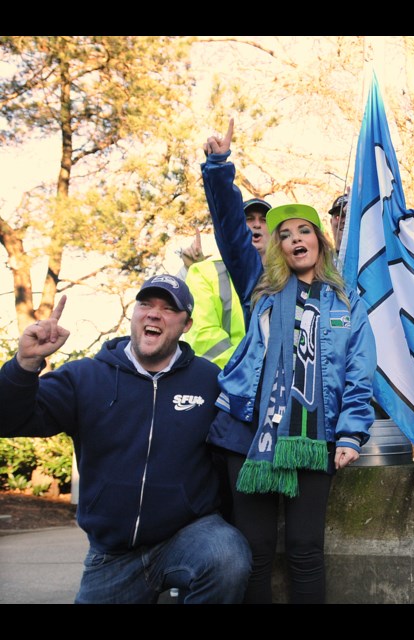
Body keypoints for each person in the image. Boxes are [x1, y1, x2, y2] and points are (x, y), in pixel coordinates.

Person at [201, 118, 377, 604]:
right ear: (276, 246)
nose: (295, 238)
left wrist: (350, 433)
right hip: (246, 433)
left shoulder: (347, 304)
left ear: (320, 239)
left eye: (305, 230)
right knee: (253, 552)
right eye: (285, 233)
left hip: (315, 436)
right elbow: (231, 230)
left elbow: (359, 376)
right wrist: (219, 168)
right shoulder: (260, 287)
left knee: (304, 550)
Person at [0, 276, 252, 604]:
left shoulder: (208, 381)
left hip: (187, 536)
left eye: (168, 308)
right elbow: (9, 419)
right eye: (146, 304)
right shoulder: (85, 377)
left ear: (186, 324)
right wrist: (25, 363)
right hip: (113, 555)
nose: (154, 314)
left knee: (228, 557)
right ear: (133, 314)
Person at [182, 198, 272, 368]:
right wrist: (249, 368)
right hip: (226, 382)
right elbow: (203, 337)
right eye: (249, 219)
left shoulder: (287, 279)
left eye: (264, 220)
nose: (257, 225)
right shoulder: (203, 272)